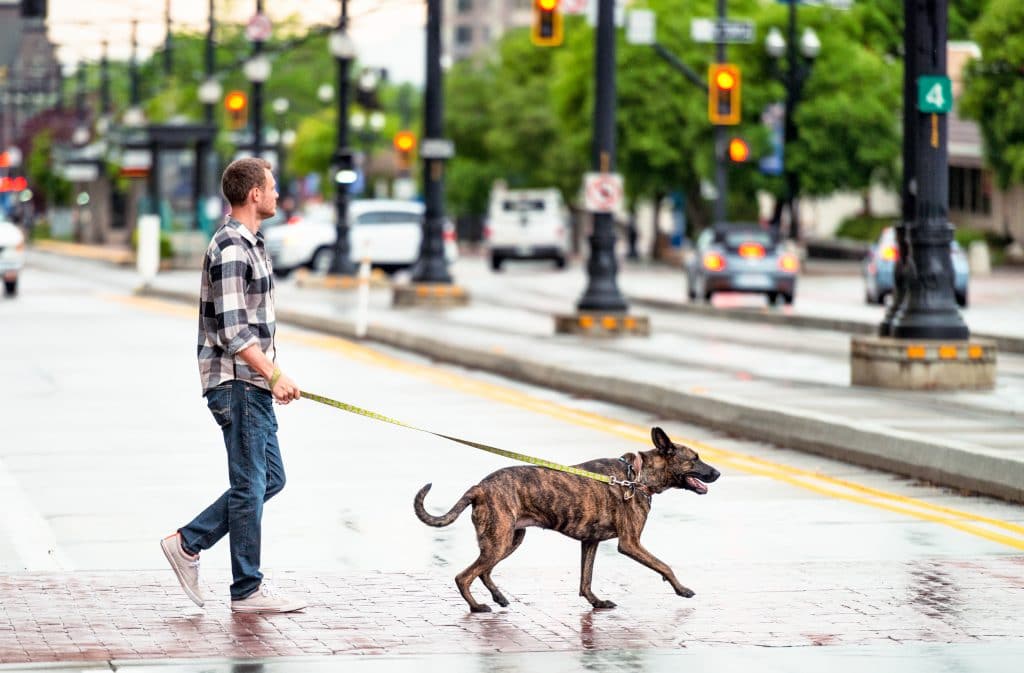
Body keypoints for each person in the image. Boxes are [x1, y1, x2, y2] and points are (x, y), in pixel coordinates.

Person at [161, 157, 306, 614]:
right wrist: (274, 374)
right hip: (237, 384)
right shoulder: (230, 248)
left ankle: (189, 542)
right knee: (250, 484)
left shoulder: (251, 243)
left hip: (252, 384)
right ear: (254, 195)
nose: (278, 194)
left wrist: (271, 377)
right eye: (273, 187)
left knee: (270, 479)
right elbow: (232, 330)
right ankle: (246, 588)